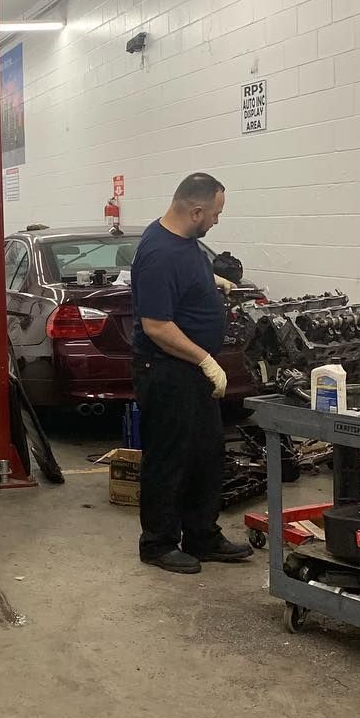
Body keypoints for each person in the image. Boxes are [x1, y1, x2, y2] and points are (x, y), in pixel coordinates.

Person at [130, 172, 253, 574]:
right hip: (168, 371)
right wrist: (205, 359)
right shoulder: (159, 252)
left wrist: (210, 281)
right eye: (215, 214)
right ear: (196, 210)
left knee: (205, 454)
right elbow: (157, 326)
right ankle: (159, 543)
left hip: (191, 373)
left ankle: (201, 535)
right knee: (169, 457)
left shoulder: (185, 242)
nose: (217, 221)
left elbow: (185, 276)